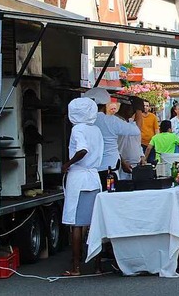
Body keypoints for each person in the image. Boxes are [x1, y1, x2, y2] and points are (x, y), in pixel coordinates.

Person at [61, 97, 104, 276]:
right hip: (94, 179)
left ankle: (76, 267)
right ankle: (98, 266)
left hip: (79, 178)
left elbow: (82, 149)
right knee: (96, 225)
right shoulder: (96, 130)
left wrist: (68, 163)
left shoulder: (77, 129)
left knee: (76, 225)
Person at [83, 87, 142, 188]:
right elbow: (136, 130)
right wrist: (139, 109)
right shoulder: (111, 121)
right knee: (109, 196)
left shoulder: (83, 122)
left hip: (90, 170)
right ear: (106, 104)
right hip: (109, 170)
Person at [116, 99, 145, 179]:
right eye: (133, 110)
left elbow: (137, 142)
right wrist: (122, 161)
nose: (134, 113)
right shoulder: (116, 121)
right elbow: (113, 146)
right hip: (122, 166)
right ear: (125, 108)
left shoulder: (132, 123)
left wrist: (141, 156)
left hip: (136, 165)